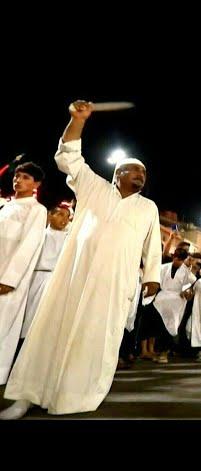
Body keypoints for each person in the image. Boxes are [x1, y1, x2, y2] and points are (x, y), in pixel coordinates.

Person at [1, 100, 162, 419]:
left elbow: (152, 247)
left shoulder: (148, 208)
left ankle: (74, 398)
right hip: (73, 278)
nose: (141, 174)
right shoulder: (93, 187)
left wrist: (152, 277)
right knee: (51, 332)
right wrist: (77, 121)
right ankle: (28, 395)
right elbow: (68, 157)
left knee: (94, 342)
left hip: (113, 285)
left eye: (144, 171)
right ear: (118, 174)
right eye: (135, 169)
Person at [0, 162, 48, 384]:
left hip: (9, 279)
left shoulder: (36, 210)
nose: (18, 180)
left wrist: (10, 279)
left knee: (3, 325)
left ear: (36, 184)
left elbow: (29, 245)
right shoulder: (5, 207)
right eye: (17, 176)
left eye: (26, 177)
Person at [21, 204, 72, 341]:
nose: (64, 219)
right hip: (37, 279)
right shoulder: (40, 235)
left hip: (58, 280)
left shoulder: (70, 240)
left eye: (67, 216)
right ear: (50, 215)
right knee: (31, 316)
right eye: (60, 214)